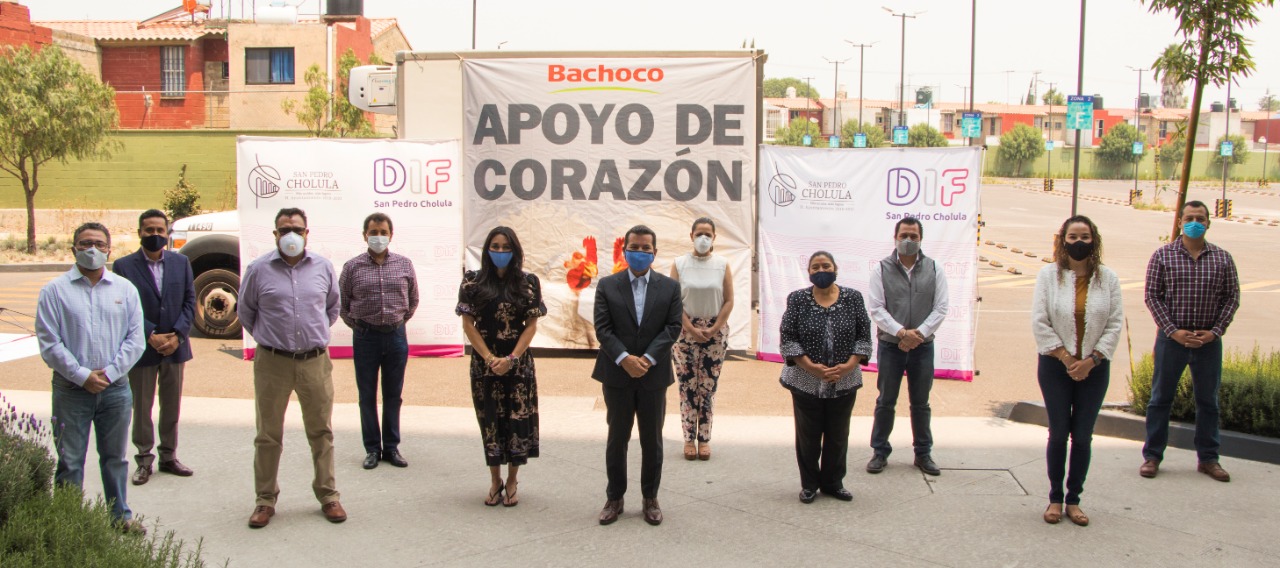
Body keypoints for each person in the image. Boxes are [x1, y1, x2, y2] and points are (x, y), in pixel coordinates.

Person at [35, 222, 147, 534]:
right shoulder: (54, 291)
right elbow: (49, 343)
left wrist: (109, 374)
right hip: (71, 390)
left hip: (115, 390)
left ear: (109, 250)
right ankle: (68, 523)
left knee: (115, 458)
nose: (92, 249)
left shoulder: (125, 290)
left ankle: (119, 517)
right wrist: (82, 376)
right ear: (73, 249)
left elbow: (135, 340)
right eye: (85, 243)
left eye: (99, 243)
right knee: (70, 460)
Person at [238, 208, 345, 528]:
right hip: (273, 362)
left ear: (307, 233)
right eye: (284, 230)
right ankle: (265, 500)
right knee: (268, 434)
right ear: (275, 235)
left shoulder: (323, 267)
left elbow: (332, 308)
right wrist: (273, 339)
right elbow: (246, 312)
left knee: (321, 432)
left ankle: (328, 495)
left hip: (314, 361)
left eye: (297, 229)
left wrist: (310, 336)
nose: (291, 235)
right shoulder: (258, 269)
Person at [1031, 215, 1123, 527]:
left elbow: (1114, 323)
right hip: (1055, 366)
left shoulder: (1108, 279)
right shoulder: (1048, 276)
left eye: (1085, 237)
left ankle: (1074, 500)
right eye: (1073, 237)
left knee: (1082, 436)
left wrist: (1092, 360)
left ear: (1094, 240)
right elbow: (1039, 320)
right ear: (1063, 241)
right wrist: (1066, 358)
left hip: (1094, 368)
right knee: (1058, 433)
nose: (1079, 242)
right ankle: (1055, 498)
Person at [1141, 200, 1240, 483]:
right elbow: (1152, 296)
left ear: (1209, 223)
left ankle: (1208, 459)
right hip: (1172, 340)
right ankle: (1152, 456)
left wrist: (1215, 331)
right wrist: (1173, 330)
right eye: (1189, 218)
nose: (1195, 223)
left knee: (1208, 402)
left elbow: (1232, 298)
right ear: (1180, 222)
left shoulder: (1222, 258)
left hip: (1207, 342)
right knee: (1160, 399)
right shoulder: (1163, 256)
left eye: (1200, 218)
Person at [593, 225, 683, 526]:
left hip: (653, 375)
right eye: (634, 247)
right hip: (617, 374)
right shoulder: (607, 285)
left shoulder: (670, 288)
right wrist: (624, 359)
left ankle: (650, 498)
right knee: (617, 438)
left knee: (652, 440)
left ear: (655, 252)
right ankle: (614, 497)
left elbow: (672, 328)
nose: (640, 252)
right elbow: (603, 329)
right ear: (625, 251)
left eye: (646, 248)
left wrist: (646, 359)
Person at [456, 226, 547, 507]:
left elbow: (531, 325)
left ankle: (512, 480)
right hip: (484, 365)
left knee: (518, 422)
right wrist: (489, 358)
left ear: (515, 251)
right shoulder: (472, 282)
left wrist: (511, 359)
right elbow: (468, 324)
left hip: (518, 365)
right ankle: (495, 480)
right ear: (487, 250)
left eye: (506, 247)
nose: (500, 251)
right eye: (494, 246)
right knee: (491, 422)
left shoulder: (528, 282)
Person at [778, 251, 872, 504]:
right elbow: (788, 338)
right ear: (809, 272)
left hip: (844, 380)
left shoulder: (853, 298)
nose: (821, 270)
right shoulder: (797, 299)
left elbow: (863, 336)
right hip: (805, 381)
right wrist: (812, 368)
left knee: (838, 435)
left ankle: (833, 483)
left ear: (835, 268)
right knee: (808, 437)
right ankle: (809, 485)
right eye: (815, 267)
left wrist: (848, 366)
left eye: (826, 266)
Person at [113, 209, 197, 486]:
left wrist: (178, 335)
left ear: (167, 233)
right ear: (140, 232)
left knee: (171, 406)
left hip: (175, 347)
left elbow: (190, 301)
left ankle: (168, 456)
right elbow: (124, 307)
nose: (155, 235)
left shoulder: (181, 262)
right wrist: (149, 334)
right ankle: (144, 459)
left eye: (160, 230)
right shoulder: (124, 266)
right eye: (149, 230)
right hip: (142, 348)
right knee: (142, 406)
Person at [866, 217, 949, 476]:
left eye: (913, 236)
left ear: (921, 239)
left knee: (921, 403)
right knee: (886, 401)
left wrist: (918, 334)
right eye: (904, 235)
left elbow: (941, 308)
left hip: (922, 347)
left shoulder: (934, 268)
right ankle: (880, 451)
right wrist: (902, 332)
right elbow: (876, 308)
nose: (908, 240)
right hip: (891, 346)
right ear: (895, 238)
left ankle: (923, 453)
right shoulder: (881, 269)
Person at [340, 212, 418, 470]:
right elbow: (343, 304)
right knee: (367, 395)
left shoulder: (404, 264)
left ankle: (392, 447)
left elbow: (413, 300)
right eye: (373, 232)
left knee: (393, 395)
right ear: (365, 235)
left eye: (383, 232)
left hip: (396, 336)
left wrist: (397, 322)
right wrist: (360, 327)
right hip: (366, 337)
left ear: (391, 235)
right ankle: (372, 449)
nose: (378, 237)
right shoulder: (352, 267)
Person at [670, 217, 734, 461]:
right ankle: (688, 438)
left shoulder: (722, 264)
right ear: (691, 236)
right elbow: (674, 301)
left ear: (714, 237)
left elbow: (729, 300)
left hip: (715, 333)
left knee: (708, 386)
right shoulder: (679, 263)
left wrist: (715, 327)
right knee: (687, 386)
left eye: (708, 234)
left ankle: (704, 438)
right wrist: (689, 327)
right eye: (699, 234)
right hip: (684, 330)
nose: (703, 238)